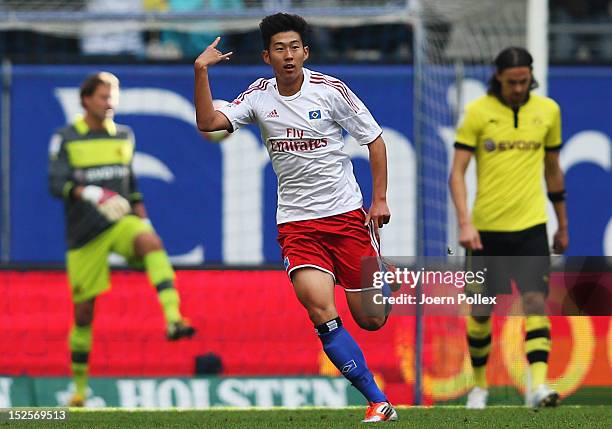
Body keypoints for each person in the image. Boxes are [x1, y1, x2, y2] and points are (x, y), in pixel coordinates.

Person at [194, 13, 398, 423]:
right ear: (267, 56)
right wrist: (200, 71)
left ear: (305, 52)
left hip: (345, 218)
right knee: (321, 312)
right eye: (279, 50)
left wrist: (379, 200)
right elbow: (208, 122)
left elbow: (374, 140)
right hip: (297, 225)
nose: (288, 56)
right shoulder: (258, 97)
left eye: (294, 48)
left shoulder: (330, 91)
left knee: (372, 319)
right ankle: (378, 401)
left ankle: (383, 277)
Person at [48, 72, 195, 407]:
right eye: (103, 96)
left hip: (119, 221)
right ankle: (80, 391)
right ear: (86, 100)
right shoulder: (66, 137)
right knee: (84, 314)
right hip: (84, 234)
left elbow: (130, 182)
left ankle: (173, 318)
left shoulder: (125, 135)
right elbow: (55, 184)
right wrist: (91, 192)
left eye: (113, 96)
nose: (110, 102)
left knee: (151, 242)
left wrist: (142, 215)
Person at [449, 47, 569, 409]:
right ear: (498, 76)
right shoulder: (478, 113)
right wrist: (465, 223)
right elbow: (457, 172)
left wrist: (562, 224)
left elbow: (553, 169)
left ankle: (538, 386)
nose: (519, 88)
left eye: (524, 80)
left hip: (531, 226)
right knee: (482, 309)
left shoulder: (548, 111)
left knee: (535, 301)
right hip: (485, 231)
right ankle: (480, 387)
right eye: (512, 81)